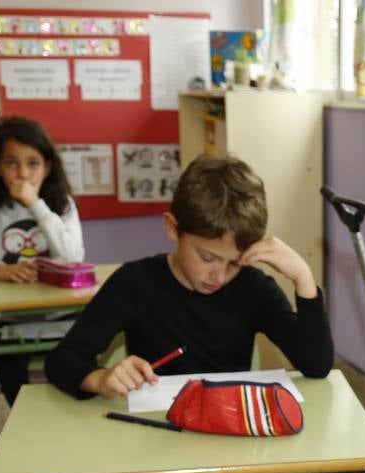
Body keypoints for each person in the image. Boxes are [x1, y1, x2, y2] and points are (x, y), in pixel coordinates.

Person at [45, 152, 331, 399]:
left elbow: (316, 366)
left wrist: (303, 278)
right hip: (156, 433)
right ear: (172, 228)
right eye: (207, 257)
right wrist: (101, 379)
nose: (218, 275)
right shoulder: (135, 282)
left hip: (228, 433)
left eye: (234, 263)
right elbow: (62, 360)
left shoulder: (253, 288)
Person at [0, 116, 84, 405]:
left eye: (32, 163)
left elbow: (73, 257)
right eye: (12, 163)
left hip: (63, 316)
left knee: (77, 363)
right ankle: (26, 421)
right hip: (14, 321)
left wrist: (36, 205)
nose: (23, 173)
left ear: (47, 167)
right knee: (8, 367)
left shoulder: (62, 205)